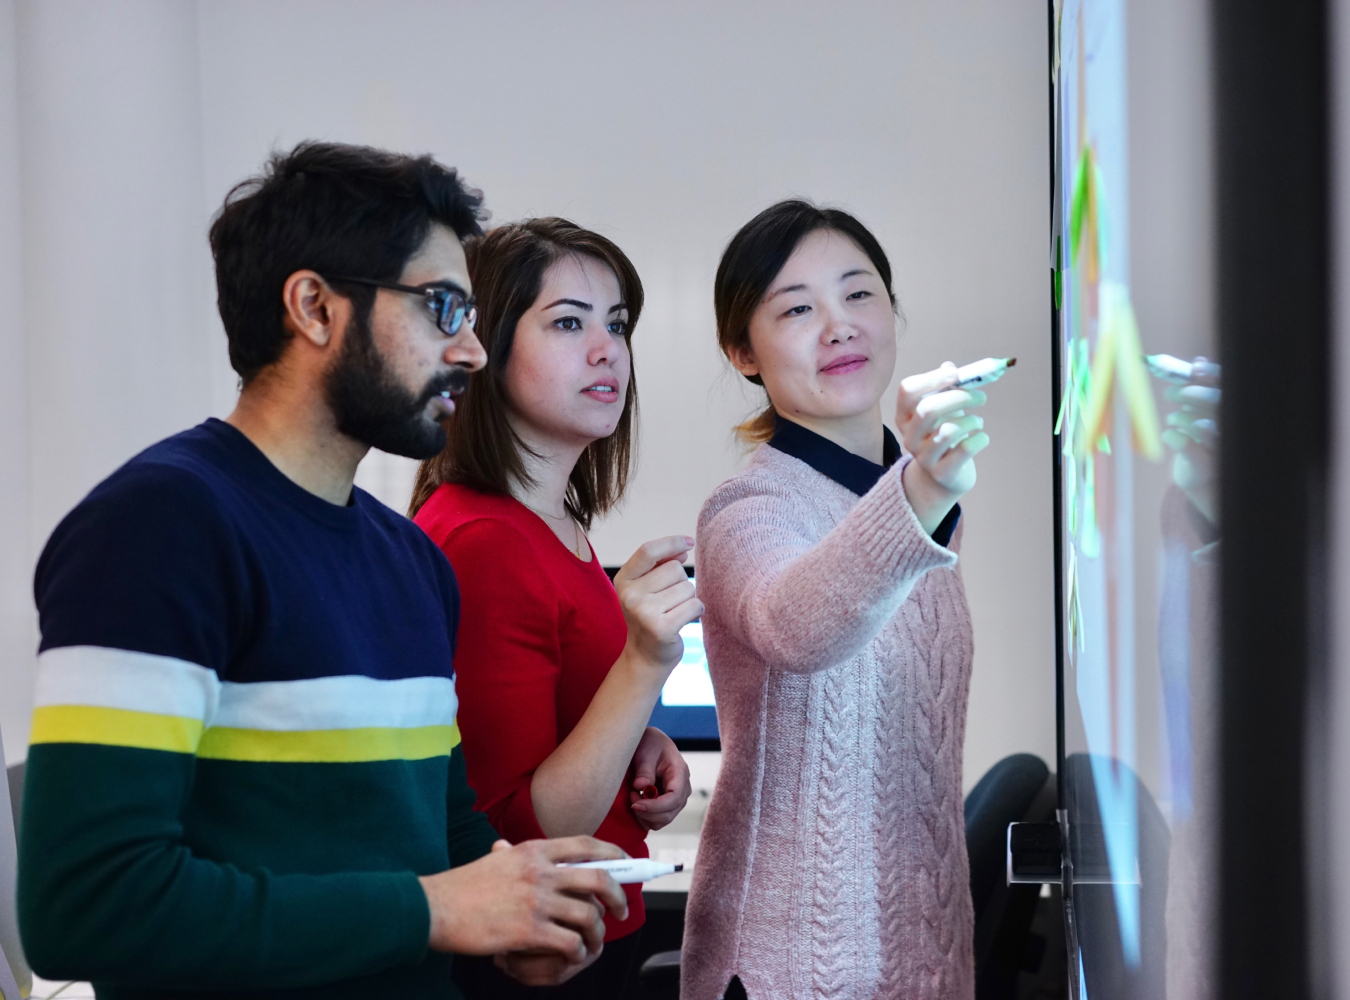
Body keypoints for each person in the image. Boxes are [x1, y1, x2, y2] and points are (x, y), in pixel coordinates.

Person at [17, 143, 629, 1000]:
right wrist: (436, 913)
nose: (472, 352)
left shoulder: (411, 561)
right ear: (313, 307)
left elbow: (446, 841)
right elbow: (85, 907)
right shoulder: (159, 527)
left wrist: (523, 909)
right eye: (443, 308)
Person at [682, 200, 993, 1000]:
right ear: (742, 353)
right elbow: (798, 625)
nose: (839, 326)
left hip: (922, 963)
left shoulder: (913, 496)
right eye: (796, 309)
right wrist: (922, 489)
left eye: (859, 294)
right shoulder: (746, 510)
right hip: (788, 969)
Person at [410, 218, 701, 998]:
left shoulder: (553, 526)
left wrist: (639, 740)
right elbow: (520, 828)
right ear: (488, 348)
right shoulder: (482, 540)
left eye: (618, 325)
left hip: (581, 936)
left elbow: (553, 733)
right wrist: (644, 666)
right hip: (537, 958)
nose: (607, 350)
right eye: (569, 323)